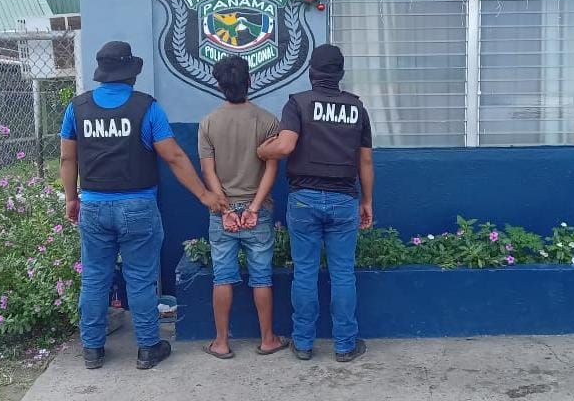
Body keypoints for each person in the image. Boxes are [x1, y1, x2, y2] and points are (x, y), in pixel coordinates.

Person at [59, 41, 227, 370]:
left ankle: (92, 349)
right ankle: (148, 348)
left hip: (93, 205)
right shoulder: (147, 108)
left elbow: (67, 158)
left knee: (94, 278)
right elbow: (174, 156)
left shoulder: (76, 108)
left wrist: (71, 198)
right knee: (139, 278)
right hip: (138, 206)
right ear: (130, 73)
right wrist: (204, 195)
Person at [257, 44, 374, 363]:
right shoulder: (357, 108)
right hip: (344, 198)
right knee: (343, 274)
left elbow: (285, 146)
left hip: (304, 200)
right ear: (340, 74)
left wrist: (263, 151)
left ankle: (303, 343)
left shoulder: (298, 103)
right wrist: (367, 200)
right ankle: (345, 345)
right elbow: (365, 161)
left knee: (305, 272)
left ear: (311, 72)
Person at [198, 56, 289, 359]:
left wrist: (224, 209)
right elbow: (271, 171)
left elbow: (208, 171)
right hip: (257, 211)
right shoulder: (268, 121)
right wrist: (254, 208)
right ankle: (268, 339)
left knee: (222, 277)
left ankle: (221, 342)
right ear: (249, 81)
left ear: (219, 86)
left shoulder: (208, 123)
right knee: (261, 277)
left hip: (221, 213)